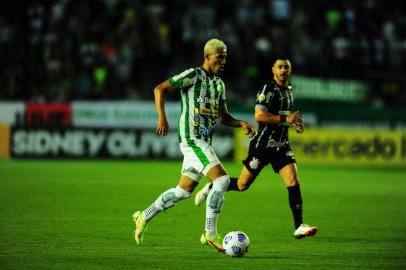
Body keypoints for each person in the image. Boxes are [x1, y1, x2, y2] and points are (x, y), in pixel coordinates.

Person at [132, 38, 256, 252]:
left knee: (183, 191)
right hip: (192, 140)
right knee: (223, 179)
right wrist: (162, 117)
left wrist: (240, 123)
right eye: (220, 56)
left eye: (225, 57)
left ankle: (143, 216)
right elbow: (159, 89)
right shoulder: (193, 75)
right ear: (207, 56)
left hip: (203, 142)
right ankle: (210, 233)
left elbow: (222, 117)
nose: (224, 61)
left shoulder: (219, 84)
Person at [194, 58, 318, 239]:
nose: (283, 70)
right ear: (273, 70)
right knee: (243, 185)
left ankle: (299, 225)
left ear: (290, 71)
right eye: (280, 67)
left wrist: (294, 124)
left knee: (293, 181)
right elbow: (259, 116)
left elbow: (285, 117)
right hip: (263, 146)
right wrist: (286, 120)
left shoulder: (289, 91)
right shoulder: (268, 89)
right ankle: (213, 185)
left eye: (286, 67)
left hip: (282, 146)